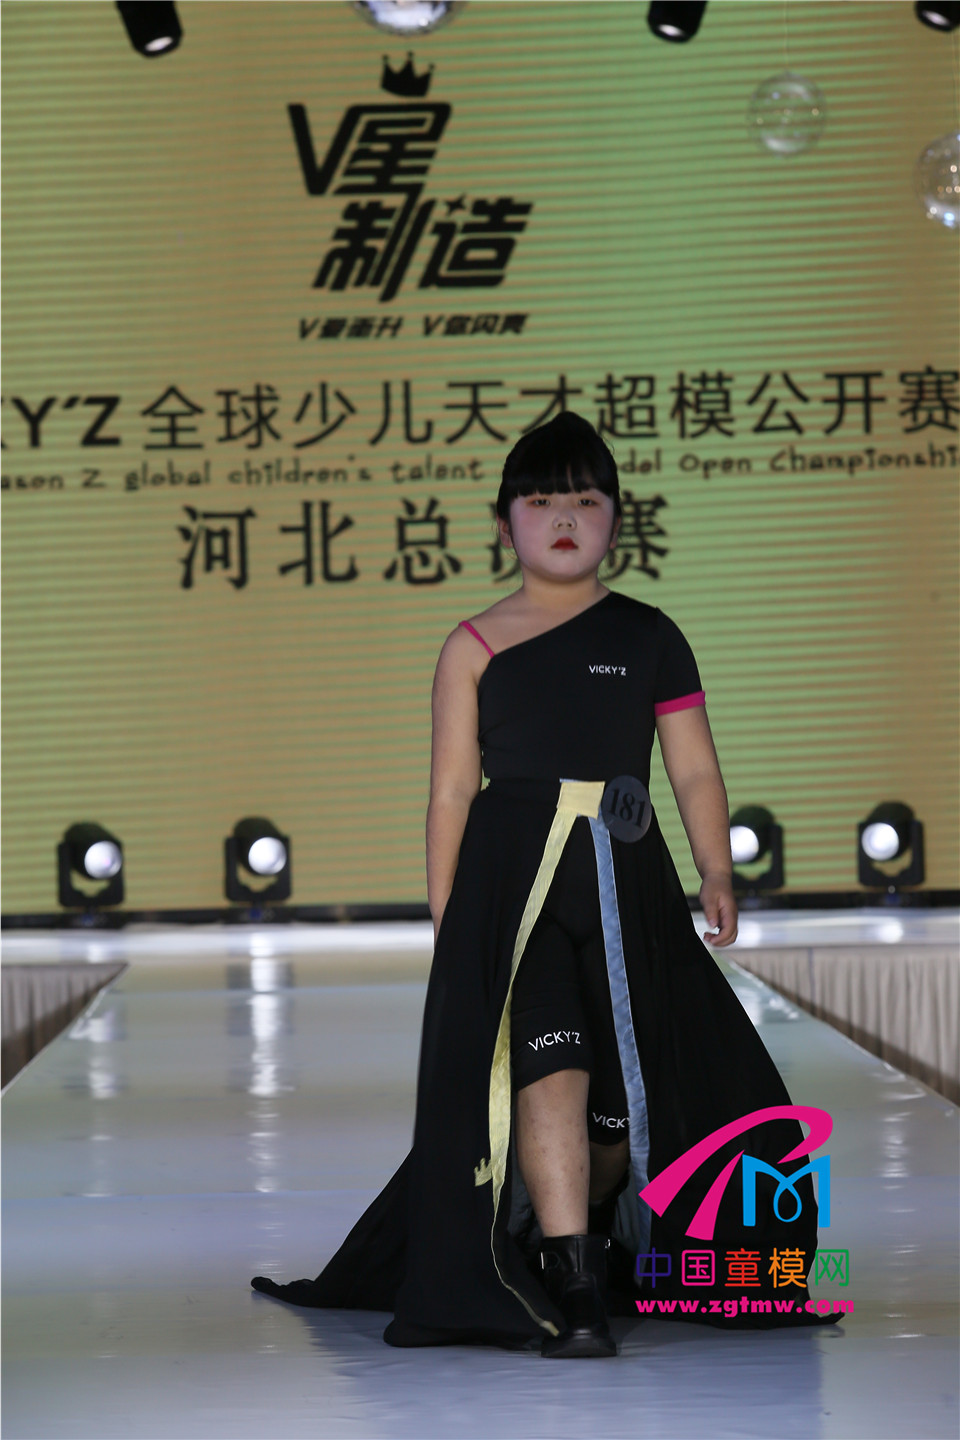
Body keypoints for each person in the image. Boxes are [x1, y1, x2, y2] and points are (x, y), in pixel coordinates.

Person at [252, 412, 835, 1357]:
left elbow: (692, 768)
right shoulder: (473, 646)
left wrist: (717, 869)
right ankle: (576, 1290)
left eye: (585, 500)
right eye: (540, 500)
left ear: (617, 521)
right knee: (545, 1062)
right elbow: (451, 789)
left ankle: (600, 1244)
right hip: (513, 892)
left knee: (627, 1092)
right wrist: (451, 915)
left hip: (628, 887)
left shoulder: (650, 636)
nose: (564, 518)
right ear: (503, 524)